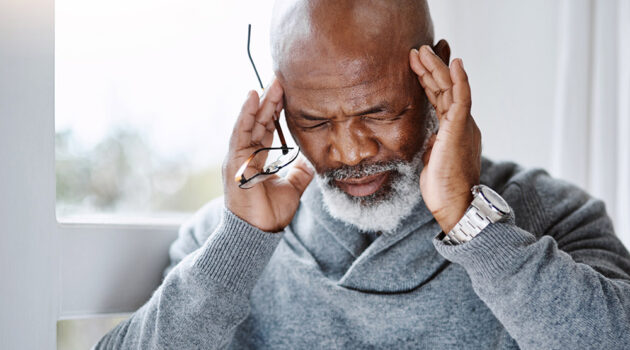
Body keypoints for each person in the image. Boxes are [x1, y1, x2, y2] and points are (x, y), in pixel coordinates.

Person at [95, 1, 630, 349]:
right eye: (314, 120)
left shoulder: (551, 214)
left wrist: (471, 220)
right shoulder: (226, 238)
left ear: (433, 76)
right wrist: (244, 241)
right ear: (281, 108)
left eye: (379, 113)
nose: (350, 152)